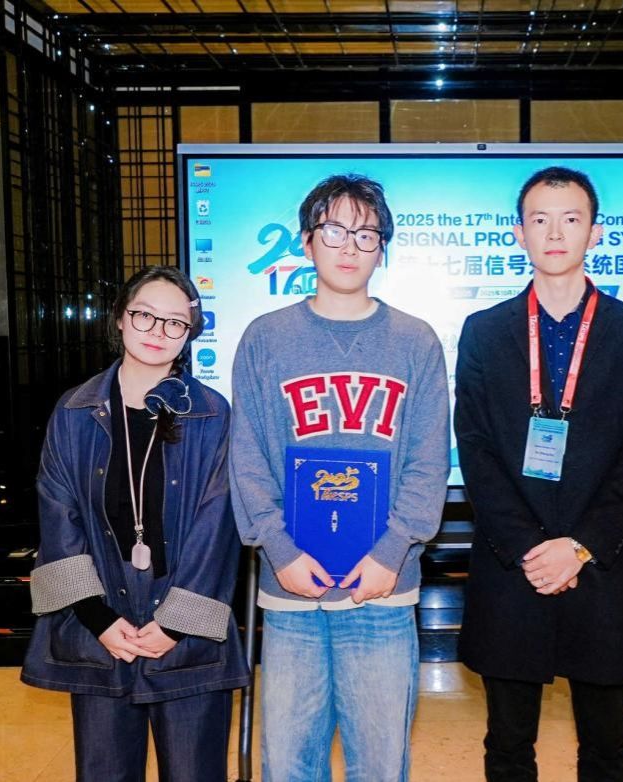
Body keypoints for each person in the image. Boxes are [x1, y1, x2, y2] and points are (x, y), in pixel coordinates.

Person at [230, 173, 450, 781]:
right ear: (306, 242)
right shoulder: (265, 338)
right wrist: (279, 550)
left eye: (367, 234)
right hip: (291, 588)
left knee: (378, 763)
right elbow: (247, 458)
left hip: (383, 587)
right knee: (289, 764)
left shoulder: (415, 341)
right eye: (334, 230)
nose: (350, 246)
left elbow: (428, 461)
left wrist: (390, 552)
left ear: (383, 249)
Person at [455, 166, 623, 781]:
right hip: (512, 566)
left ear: (595, 232)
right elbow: (475, 448)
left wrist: (578, 547)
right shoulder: (485, 331)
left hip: (600, 564)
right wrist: (530, 548)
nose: (555, 233)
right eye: (540, 220)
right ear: (518, 233)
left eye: (571, 219)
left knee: (607, 744)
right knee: (507, 745)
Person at [20, 266, 250, 782]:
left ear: (190, 334)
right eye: (145, 315)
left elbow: (218, 528)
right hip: (102, 629)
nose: (157, 331)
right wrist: (97, 618)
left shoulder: (212, 415)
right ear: (121, 319)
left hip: (187, 635)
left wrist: (175, 623)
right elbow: (57, 517)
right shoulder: (75, 411)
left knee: (194, 772)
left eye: (175, 322)